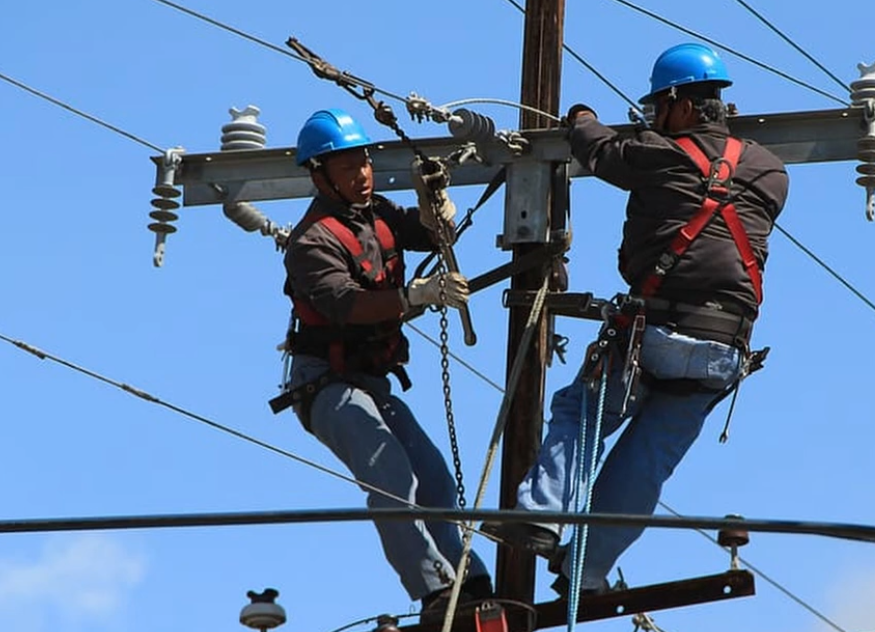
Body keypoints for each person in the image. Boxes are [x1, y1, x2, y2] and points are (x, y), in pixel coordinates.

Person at [483, 43, 789, 596]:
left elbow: (597, 149)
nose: (654, 121)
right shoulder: (771, 172)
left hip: (655, 332)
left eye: (659, 109)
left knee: (582, 414)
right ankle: (588, 569)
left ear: (681, 104)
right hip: (724, 349)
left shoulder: (657, 154)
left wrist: (580, 116)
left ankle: (541, 514)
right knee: (647, 461)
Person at [277, 108, 493, 619]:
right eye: (348, 165)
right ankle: (434, 587)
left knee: (435, 478)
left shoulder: (375, 215)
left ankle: (468, 577)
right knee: (391, 473)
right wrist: (418, 295)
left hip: (371, 381)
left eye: (365, 161)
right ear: (319, 173)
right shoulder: (311, 242)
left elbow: (429, 234)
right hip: (326, 385)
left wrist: (433, 200)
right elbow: (346, 304)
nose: (362, 173)